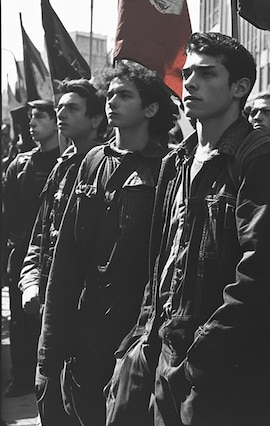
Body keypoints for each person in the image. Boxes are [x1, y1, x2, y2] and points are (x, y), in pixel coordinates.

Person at [105, 32, 270, 426]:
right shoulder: (176, 161)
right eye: (187, 72)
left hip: (211, 367)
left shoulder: (260, 160)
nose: (190, 82)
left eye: (207, 74)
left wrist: (202, 355)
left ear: (240, 87)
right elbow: (160, 259)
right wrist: (141, 337)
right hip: (157, 346)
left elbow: (259, 273)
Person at [37, 62, 176, 425]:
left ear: (150, 109)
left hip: (136, 327)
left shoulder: (168, 166)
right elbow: (67, 256)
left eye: (124, 95)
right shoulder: (92, 161)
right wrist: (49, 349)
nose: (112, 101)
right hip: (86, 324)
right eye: (110, 94)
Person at [19, 80, 105, 424]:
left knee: (82, 403)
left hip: (89, 310)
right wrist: (30, 281)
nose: (61, 116)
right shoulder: (61, 166)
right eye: (59, 109)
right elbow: (40, 235)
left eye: (71, 109)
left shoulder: (109, 167)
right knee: (49, 396)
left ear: (96, 119)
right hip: (50, 307)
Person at [3, 99, 60, 398]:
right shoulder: (19, 165)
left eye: (39, 117)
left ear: (54, 121)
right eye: (30, 118)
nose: (32, 124)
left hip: (58, 257)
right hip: (24, 256)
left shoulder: (71, 161)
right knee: (20, 321)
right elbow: (6, 217)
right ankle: (22, 377)